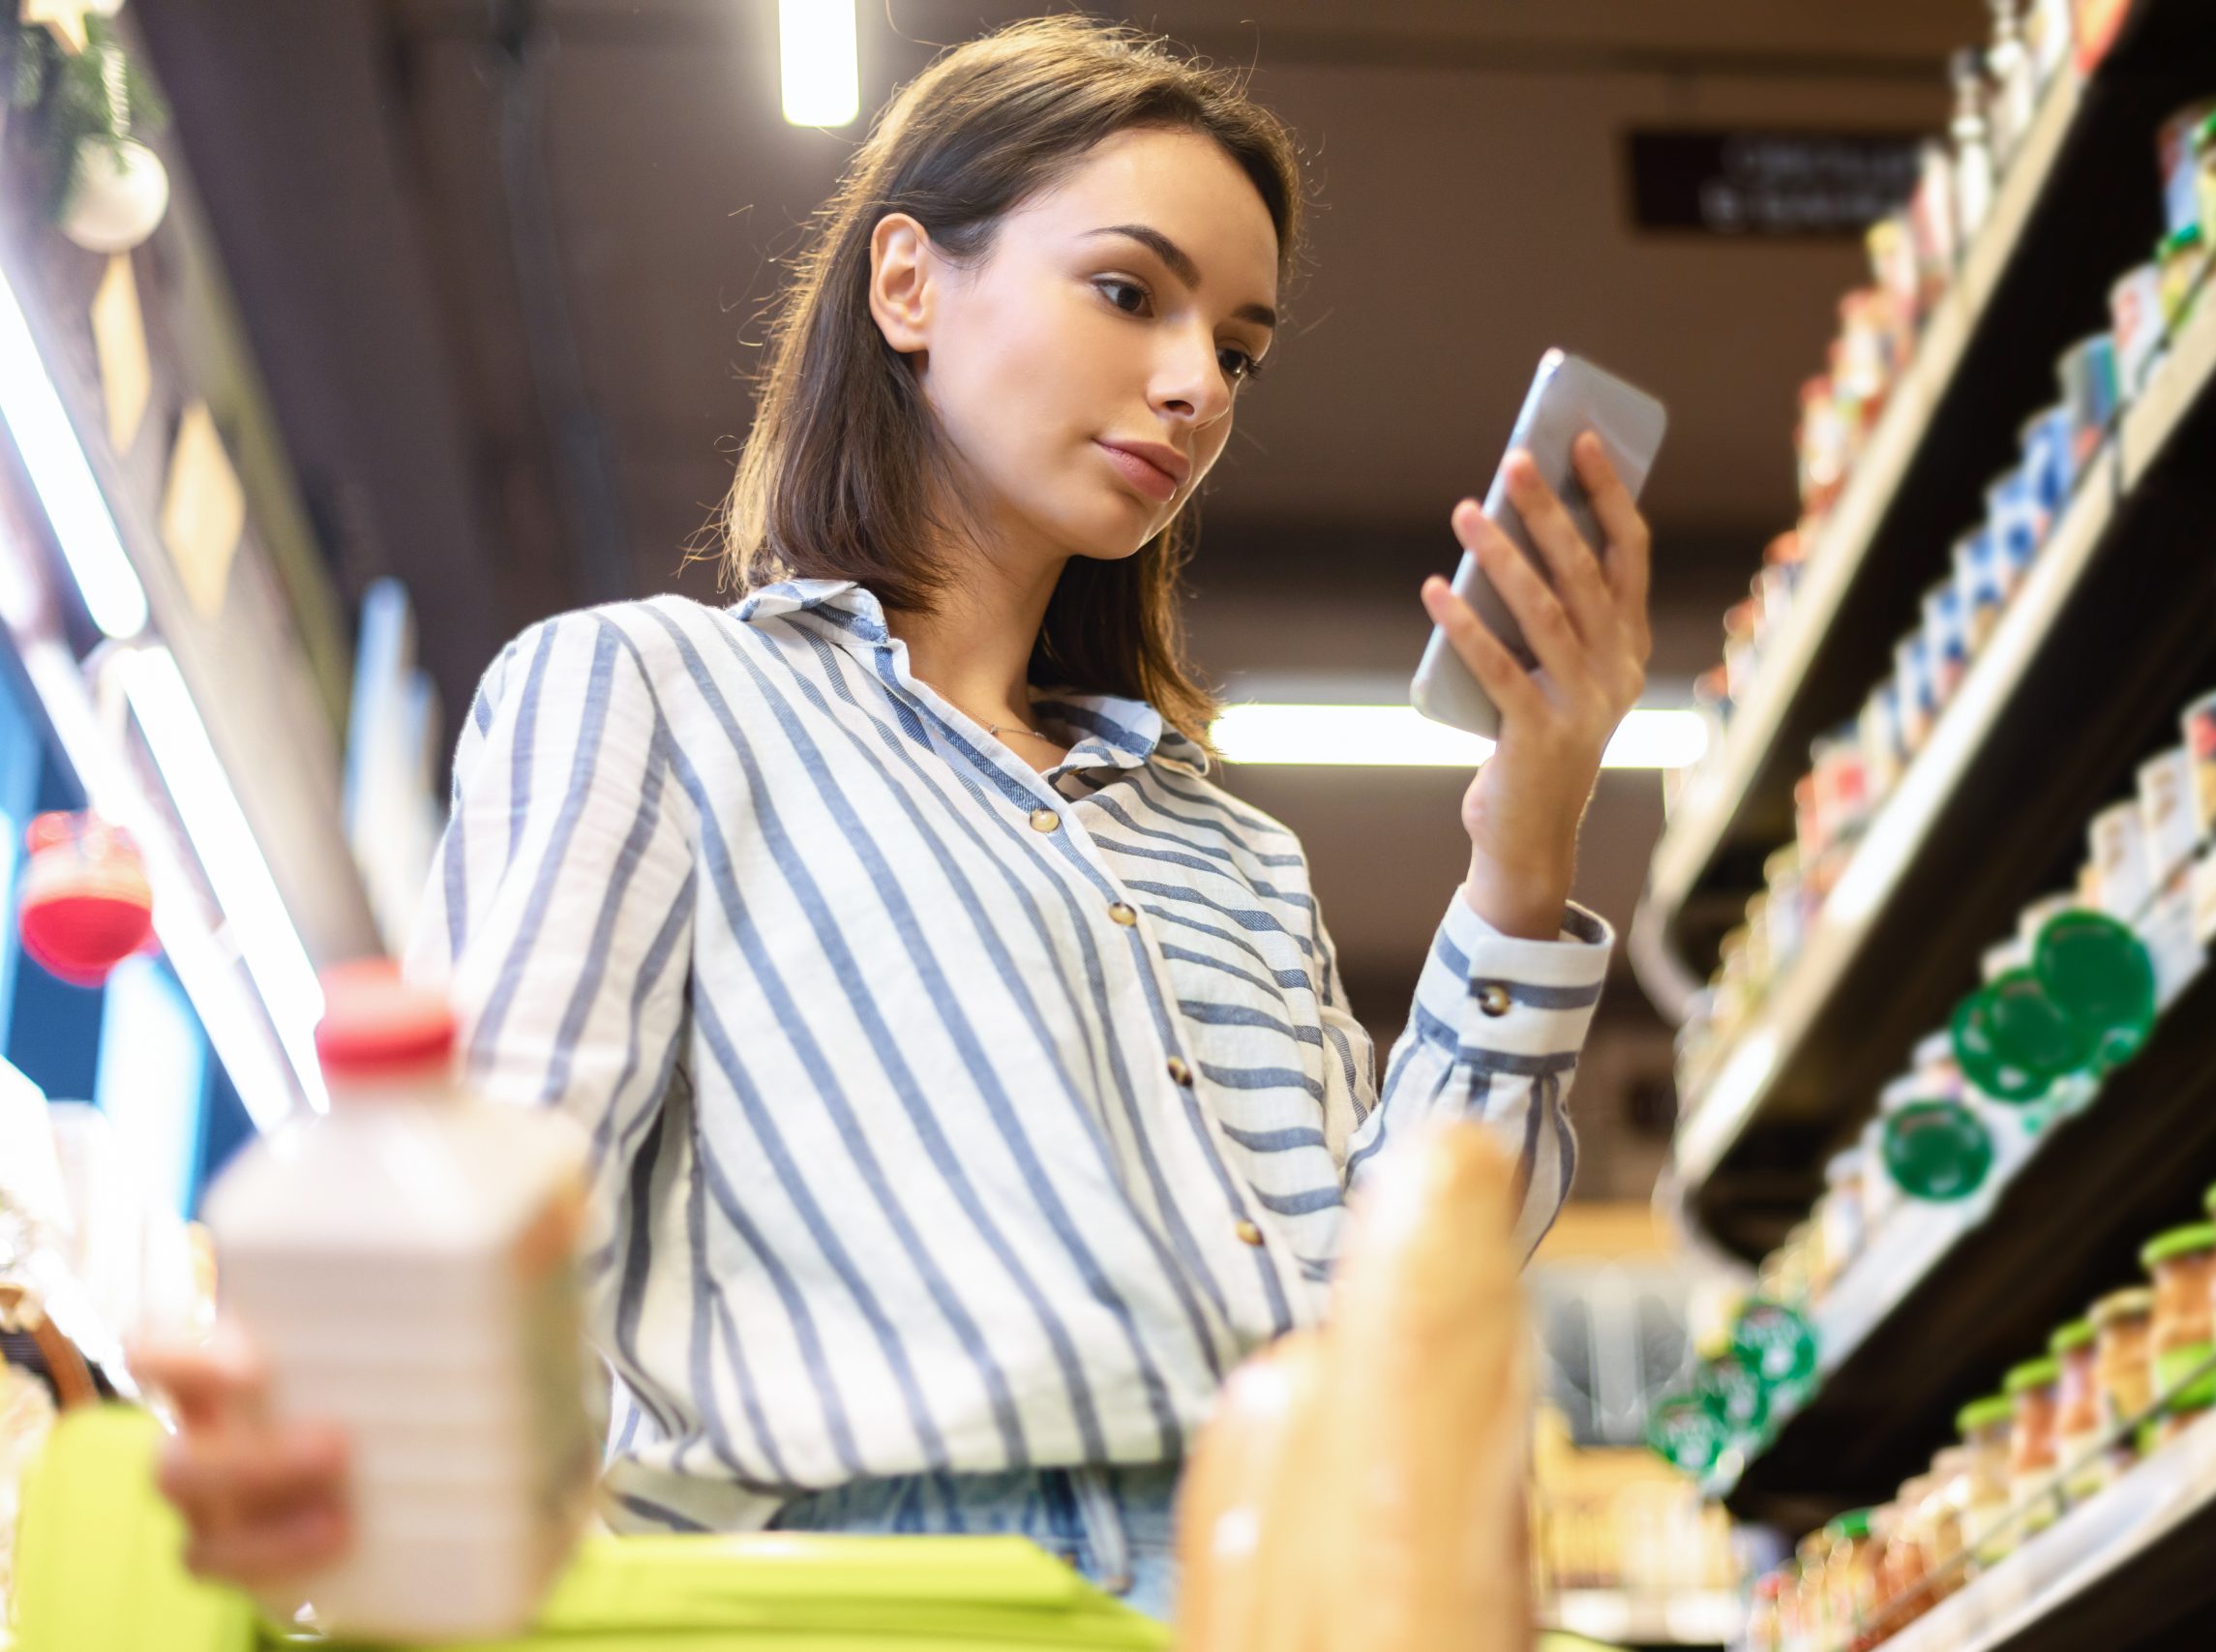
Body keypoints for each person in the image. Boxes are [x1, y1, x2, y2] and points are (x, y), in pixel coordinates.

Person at [133, 13, 1653, 1624]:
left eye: (1241, 348)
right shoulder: (652, 698)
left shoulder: (1231, 855)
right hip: (887, 1597)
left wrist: (1524, 845)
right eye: (1131, 292)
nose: (1195, 383)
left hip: (1311, 1589)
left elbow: (1416, 1294)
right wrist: (354, 1449)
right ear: (908, 284)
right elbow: (508, 1205)